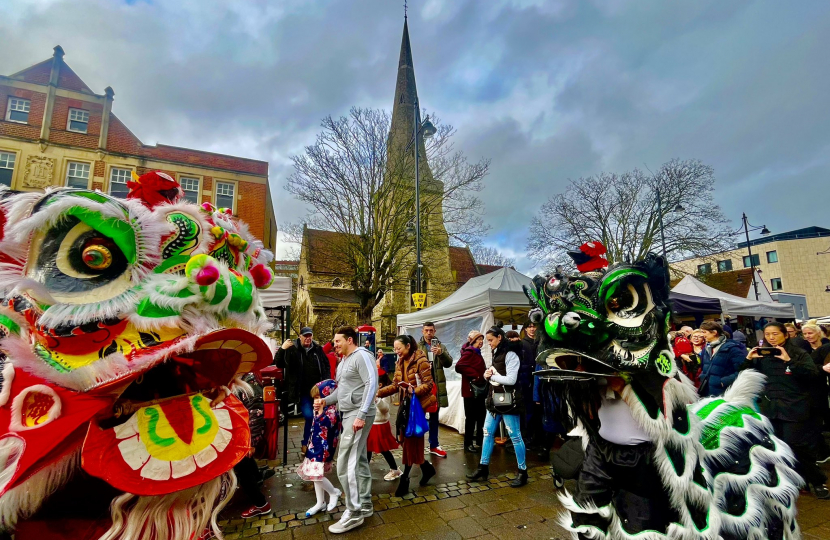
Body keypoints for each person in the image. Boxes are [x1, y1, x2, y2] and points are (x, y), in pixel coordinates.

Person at [743, 322, 829, 499]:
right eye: (767, 334)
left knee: (796, 445)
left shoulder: (797, 352)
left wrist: (789, 361)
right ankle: (787, 482)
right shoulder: (762, 355)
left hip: (795, 407)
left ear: (786, 335)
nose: (771, 337)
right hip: (771, 408)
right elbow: (746, 377)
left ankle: (817, 481)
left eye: (775, 334)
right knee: (775, 447)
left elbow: (812, 374)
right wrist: (749, 359)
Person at [315, 326, 377, 534]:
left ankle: (354, 512)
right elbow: (342, 391)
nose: (335, 345)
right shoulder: (343, 361)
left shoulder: (361, 355)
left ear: (350, 340)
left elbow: (372, 383)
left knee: (345, 463)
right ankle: (365, 504)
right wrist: (325, 400)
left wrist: (361, 414)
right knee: (357, 460)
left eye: (338, 341)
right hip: (350, 413)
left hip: (358, 415)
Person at [467, 327, 528, 488]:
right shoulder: (499, 352)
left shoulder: (511, 354)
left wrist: (491, 375)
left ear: (499, 338)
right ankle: (483, 467)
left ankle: (523, 472)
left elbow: (512, 379)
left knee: (515, 436)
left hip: (509, 402)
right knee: (487, 433)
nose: (488, 343)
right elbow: (501, 375)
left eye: (490, 340)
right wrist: (490, 374)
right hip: (495, 400)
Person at [377, 335, 437, 496]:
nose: (397, 352)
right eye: (395, 349)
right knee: (406, 439)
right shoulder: (399, 362)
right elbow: (396, 385)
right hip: (406, 406)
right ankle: (427, 468)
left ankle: (405, 480)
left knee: (410, 441)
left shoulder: (421, 360)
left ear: (408, 346)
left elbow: (429, 384)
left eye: (399, 348)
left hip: (418, 407)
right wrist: (377, 393)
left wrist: (414, 390)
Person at [275, 327, 331, 453]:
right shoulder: (293, 350)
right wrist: (282, 349)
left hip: (317, 392)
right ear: (300, 337)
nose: (308, 338)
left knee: (320, 417)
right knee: (309, 416)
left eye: (310, 335)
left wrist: (326, 383)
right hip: (303, 392)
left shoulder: (317, 349)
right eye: (305, 336)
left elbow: (326, 365)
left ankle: (314, 443)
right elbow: (279, 363)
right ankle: (306, 442)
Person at [297, 380, 342, 517]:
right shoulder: (318, 409)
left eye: (318, 397)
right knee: (315, 476)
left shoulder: (332, 410)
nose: (316, 401)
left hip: (323, 449)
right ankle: (320, 502)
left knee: (316, 476)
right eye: (315, 398)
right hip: (314, 447)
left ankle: (333, 492)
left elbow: (327, 425)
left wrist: (321, 412)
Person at [419, 322, 453, 458]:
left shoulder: (440, 346)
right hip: (422, 386)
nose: (429, 333)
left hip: (436, 385)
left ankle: (434, 444)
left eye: (431, 330)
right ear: (422, 331)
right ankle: (418, 446)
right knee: (419, 416)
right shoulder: (417, 346)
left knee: (434, 417)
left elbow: (449, 363)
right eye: (426, 330)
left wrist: (441, 353)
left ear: (434, 331)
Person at [803, 319, 830, 462]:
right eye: (805, 333)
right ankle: (820, 451)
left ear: (818, 333)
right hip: (814, 389)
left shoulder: (826, 347)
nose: (808, 336)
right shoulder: (803, 349)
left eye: (810, 333)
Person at [455, 330, 486, 453]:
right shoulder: (470, 352)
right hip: (470, 391)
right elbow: (459, 366)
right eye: (479, 340)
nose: (481, 342)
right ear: (473, 341)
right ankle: (468, 444)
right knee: (471, 418)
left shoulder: (476, 352)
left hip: (478, 390)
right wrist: (475, 375)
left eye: (482, 340)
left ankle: (479, 440)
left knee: (481, 416)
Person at [698, 321, 745, 397]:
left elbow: (742, 370)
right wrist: (702, 377)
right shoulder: (706, 349)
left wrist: (723, 382)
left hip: (726, 393)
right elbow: (704, 367)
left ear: (714, 332)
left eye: (704, 332)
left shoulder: (732, 348)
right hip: (708, 392)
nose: (702, 335)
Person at [367, 394, 402, 481]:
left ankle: (395, 469)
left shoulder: (384, 394)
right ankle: (365, 470)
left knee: (383, 448)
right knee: (368, 447)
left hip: (380, 424)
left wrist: (377, 399)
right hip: (372, 423)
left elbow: (385, 409)